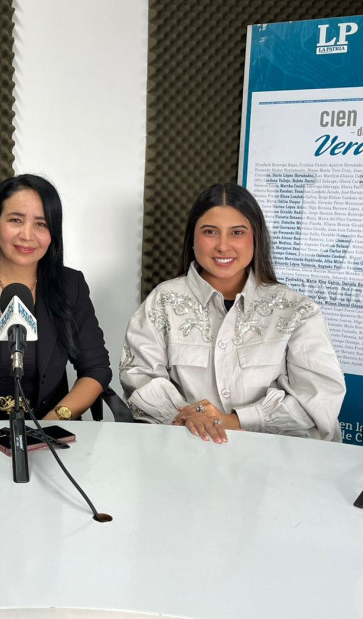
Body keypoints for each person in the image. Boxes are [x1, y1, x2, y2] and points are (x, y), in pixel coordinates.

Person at [120, 183, 345, 443]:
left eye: (237, 232)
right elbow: (139, 376)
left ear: (255, 237)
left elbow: (320, 396)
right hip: (188, 451)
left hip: (278, 458)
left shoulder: (297, 310)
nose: (223, 246)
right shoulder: (163, 301)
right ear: (192, 238)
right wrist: (186, 418)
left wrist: (231, 421)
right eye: (210, 232)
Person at [0, 174, 111, 422]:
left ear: (53, 233)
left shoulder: (70, 286)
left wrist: (54, 421)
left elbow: (96, 368)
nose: (27, 235)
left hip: (49, 433)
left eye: (41, 224)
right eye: (15, 220)